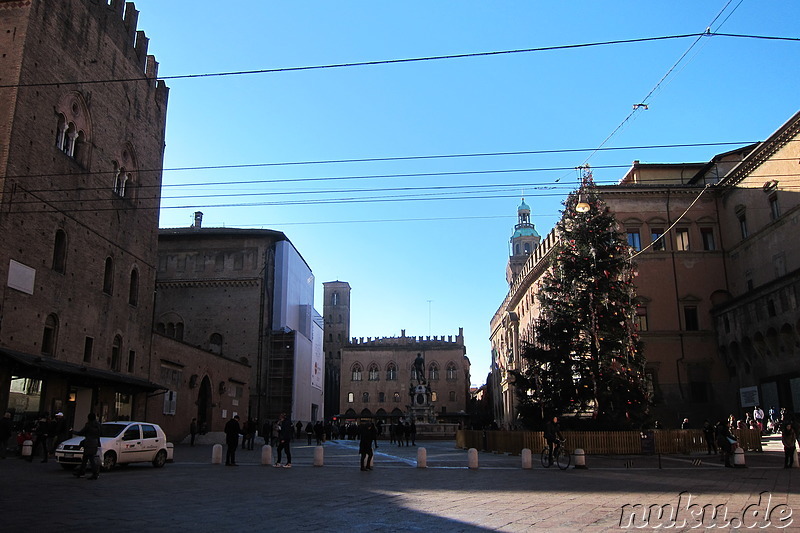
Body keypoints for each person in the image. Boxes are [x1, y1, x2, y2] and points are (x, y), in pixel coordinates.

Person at [72, 412, 102, 480]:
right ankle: (82, 472)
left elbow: (81, 432)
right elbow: (100, 433)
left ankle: (94, 473)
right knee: (87, 458)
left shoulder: (88, 425)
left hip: (88, 443)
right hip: (95, 442)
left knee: (89, 459)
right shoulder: (98, 425)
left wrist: (72, 431)